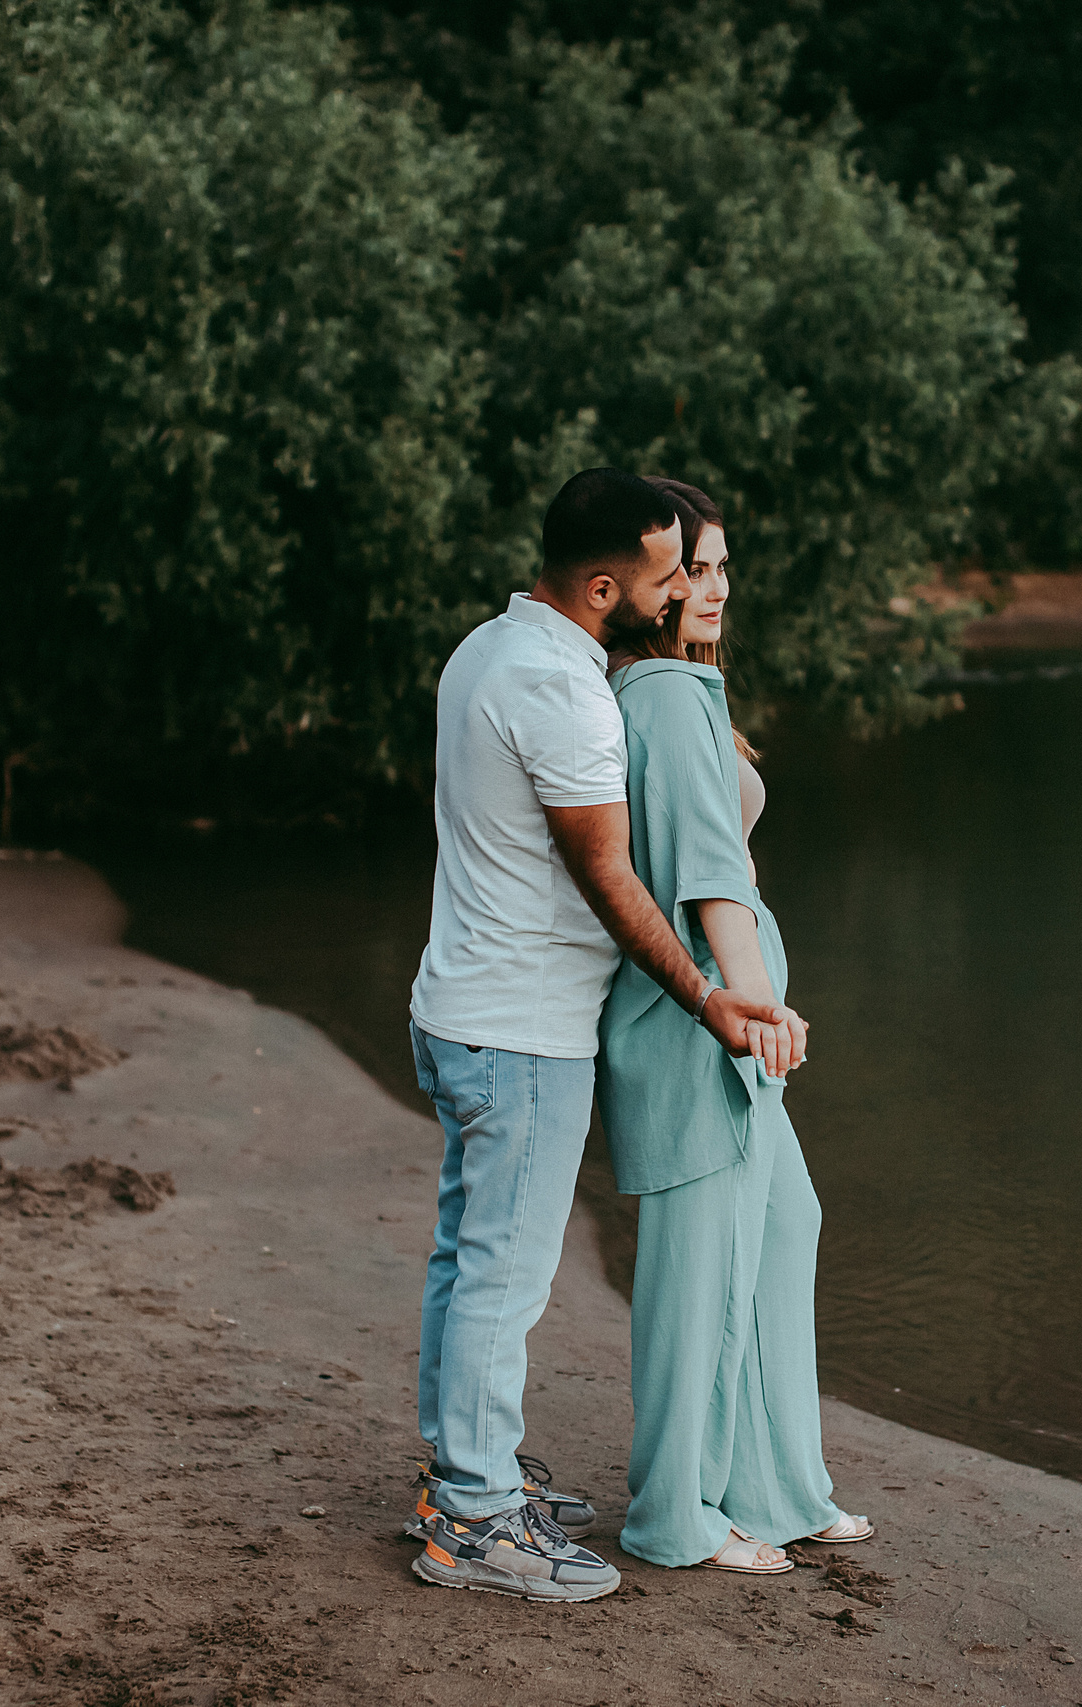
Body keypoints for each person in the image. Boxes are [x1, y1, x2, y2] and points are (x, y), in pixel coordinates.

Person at [402, 467, 808, 1603]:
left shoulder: (491, 646)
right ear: (600, 585)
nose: (682, 588)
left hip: (462, 1007)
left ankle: (461, 1478)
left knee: (463, 1255)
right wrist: (710, 998)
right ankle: (476, 1520)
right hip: (520, 1030)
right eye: (666, 572)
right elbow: (611, 881)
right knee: (502, 1274)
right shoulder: (566, 693)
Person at [597, 476, 872, 1573]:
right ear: (649, 589)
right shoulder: (660, 696)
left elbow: (726, 869)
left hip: (723, 1032)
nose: (709, 590)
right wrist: (755, 1004)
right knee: (697, 1278)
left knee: (780, 1230)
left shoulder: (682, 695)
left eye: (717, 572)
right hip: (694, 1029)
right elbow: (711, 884)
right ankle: (676, 1513)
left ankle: (775, 1488)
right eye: (688, 572)